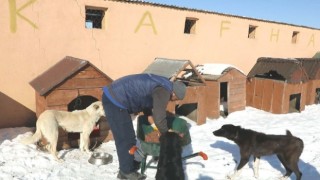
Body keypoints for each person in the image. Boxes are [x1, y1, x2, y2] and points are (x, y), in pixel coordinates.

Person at [102, 73, 187, 180]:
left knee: (127, 137)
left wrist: (150, 119)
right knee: (125, 138)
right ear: (174, 94)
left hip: (114, 95)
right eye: (174, 99)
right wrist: (167, 135)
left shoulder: (163, 83)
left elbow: (145, 98)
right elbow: (160, 118)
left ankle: (127, 164)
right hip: (115, 101)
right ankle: (126, 172)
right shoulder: (164, 91)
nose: (172, 100)